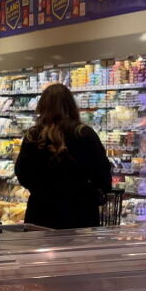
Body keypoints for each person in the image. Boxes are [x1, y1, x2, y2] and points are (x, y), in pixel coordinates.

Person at [15, 83, 112, 229]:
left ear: (42, 107)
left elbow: (22, 174)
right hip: (80, 214)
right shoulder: (85, 134)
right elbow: (103, 176)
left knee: (40, 251)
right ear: (72, 106)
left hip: (41, 213)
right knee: (77, 252)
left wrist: (42, 190)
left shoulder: (33, 136)